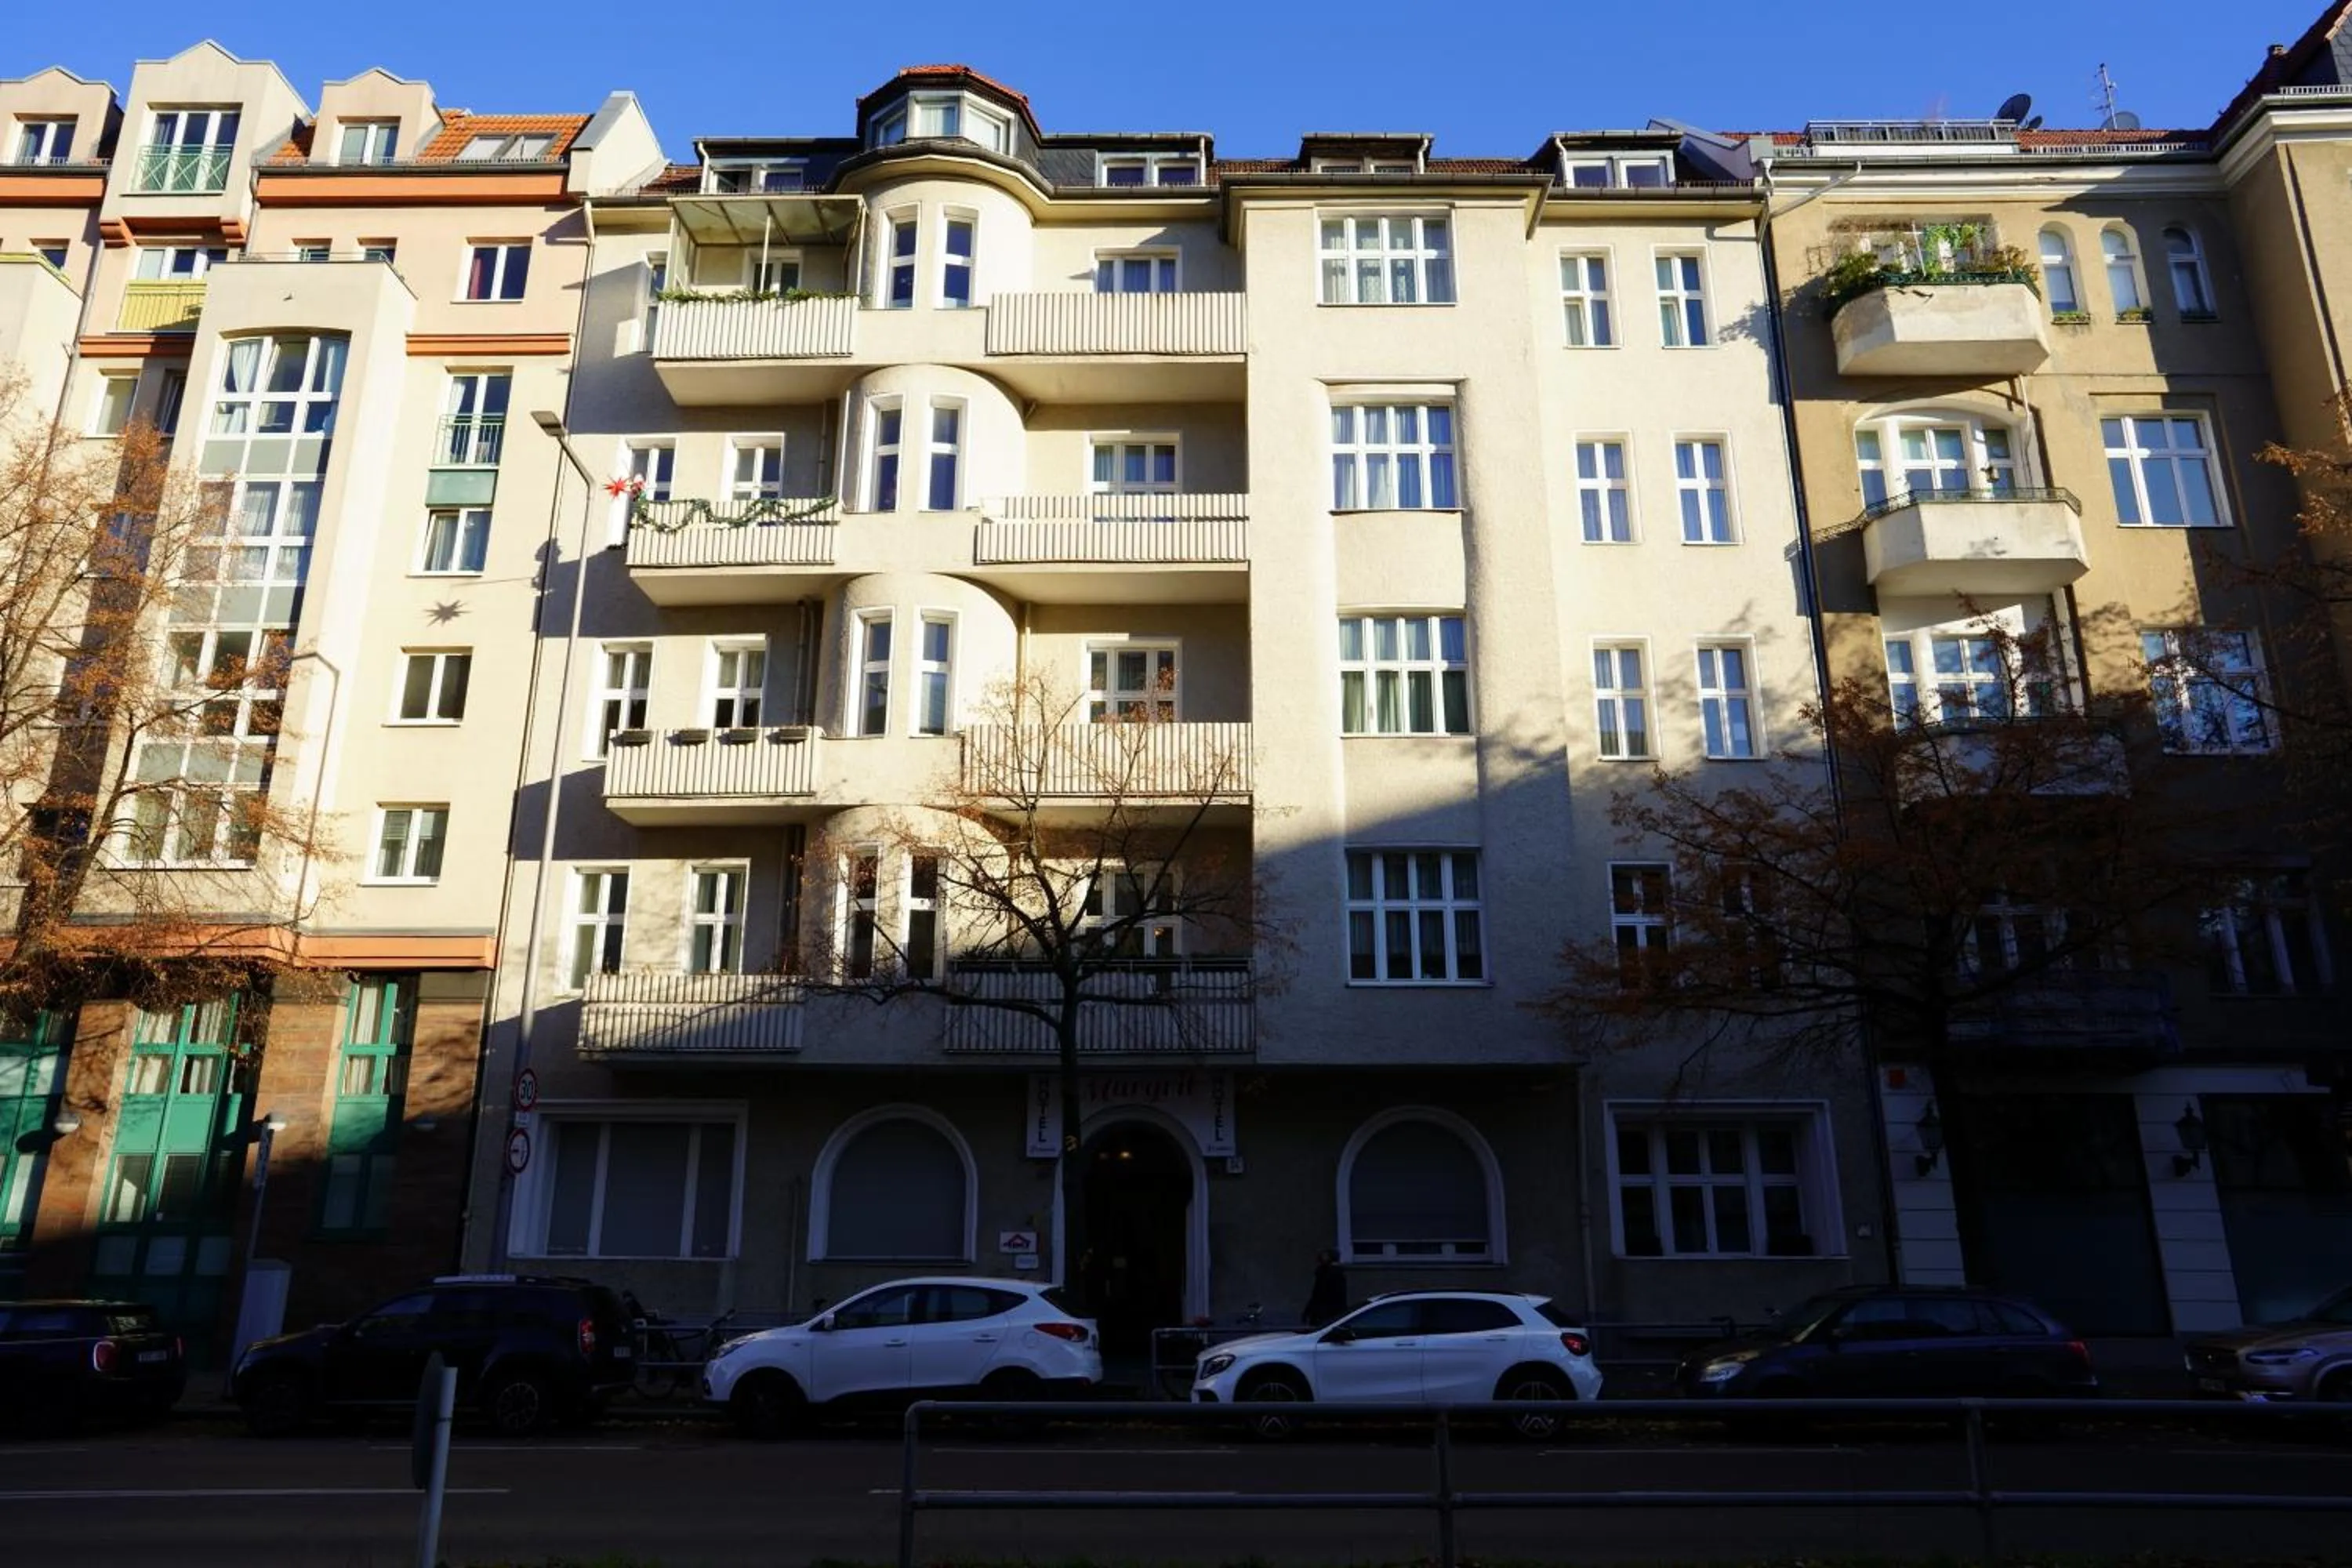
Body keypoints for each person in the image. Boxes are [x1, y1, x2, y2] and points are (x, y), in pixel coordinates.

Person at [1301, 1247, 1347, 1328]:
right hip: (1322, 1311)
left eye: (1325, 1256)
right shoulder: (1323, 1272)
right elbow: (1316, 1294)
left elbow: (1337, 1296)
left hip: (1328, 1312)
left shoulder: (1334, 1273)